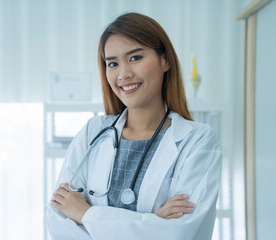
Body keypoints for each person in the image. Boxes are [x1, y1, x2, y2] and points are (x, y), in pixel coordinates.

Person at [46, 12, 221, 240]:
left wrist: (87, 214)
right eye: (112, 63)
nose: (124, 74)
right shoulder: (93, 131)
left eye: (135, 58)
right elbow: (59, 219)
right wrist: (152, 222)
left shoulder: (198, 141)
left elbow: (179, 233)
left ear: (165, 60)